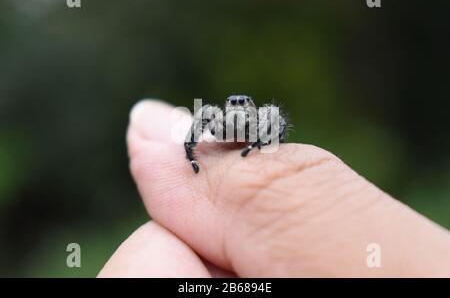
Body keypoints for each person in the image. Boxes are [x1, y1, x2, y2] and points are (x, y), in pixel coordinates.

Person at [98, 99, 450, 277]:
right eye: (231, 105)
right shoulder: (215, 119)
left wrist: (260, 147)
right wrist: (190, 154)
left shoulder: (257, 117)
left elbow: (275, 121)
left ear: (250, 111)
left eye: (243, 106)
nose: (236, 109)